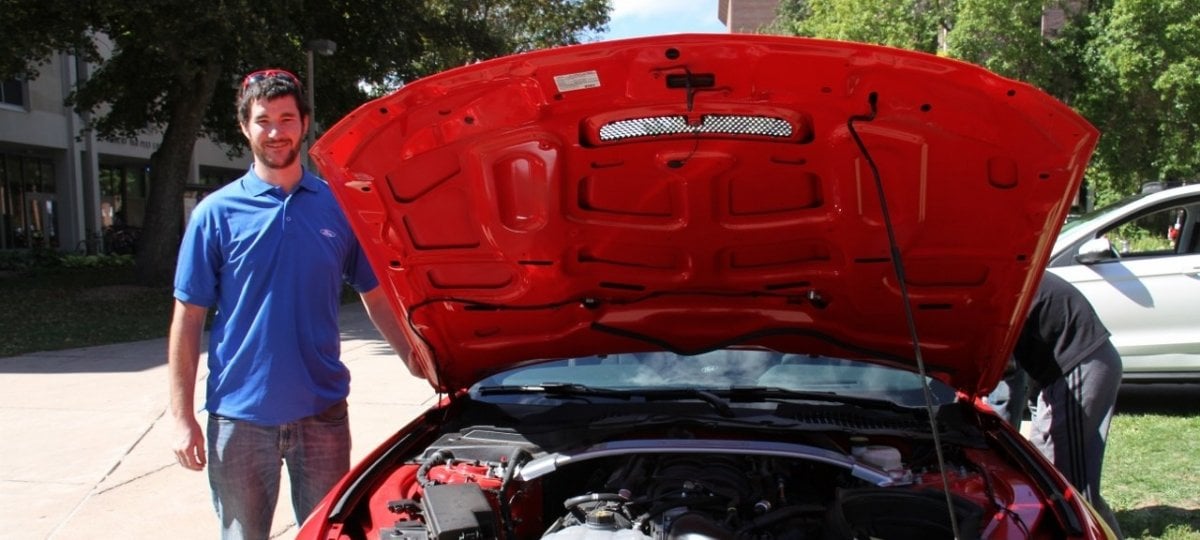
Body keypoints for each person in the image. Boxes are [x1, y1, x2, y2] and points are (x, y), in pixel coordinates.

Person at [167, 68, 418, 539]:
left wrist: (413, 356)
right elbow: (188, 318)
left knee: (328, 535)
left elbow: (375, 293)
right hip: (240, 421)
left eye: (286, 118)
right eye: (263, 120)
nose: (276, 131)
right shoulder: (214, 215)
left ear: (305, 123)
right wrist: (181, 417)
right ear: (245, 127)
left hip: (322, 416)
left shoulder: (337, 207)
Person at [989, 271, 1123, 537]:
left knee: (1071, 490)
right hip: (1061, 371)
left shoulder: (999, 282)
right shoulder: (1001, 274)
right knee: (1043, 476)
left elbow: (998, 365)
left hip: (1078, 366)